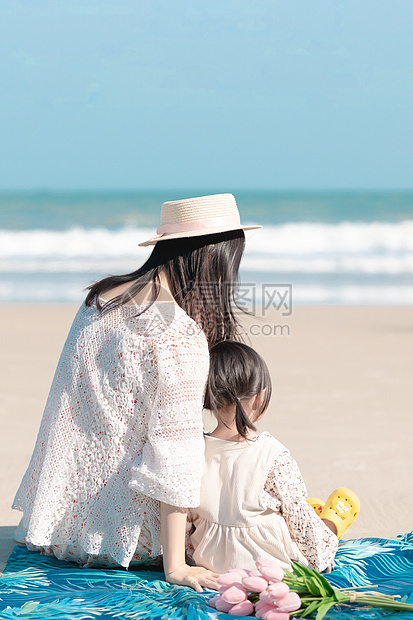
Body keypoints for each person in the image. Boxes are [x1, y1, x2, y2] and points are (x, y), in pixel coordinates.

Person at [12, 193, 261, 593]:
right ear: (216, 259)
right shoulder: (177, 333)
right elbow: (175, 455)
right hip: (130, 538)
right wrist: (176, 565)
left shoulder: (101, 299)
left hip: (58, 525)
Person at [187, 340, 360, 574]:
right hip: (269, 567)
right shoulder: (272, 454)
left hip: (211, 563)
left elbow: (186, 521)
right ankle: (331, 522)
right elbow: (301, 524)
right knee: (302, 516)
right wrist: (323, 557)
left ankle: (317, 513)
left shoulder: (192, 450)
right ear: (260, 398)